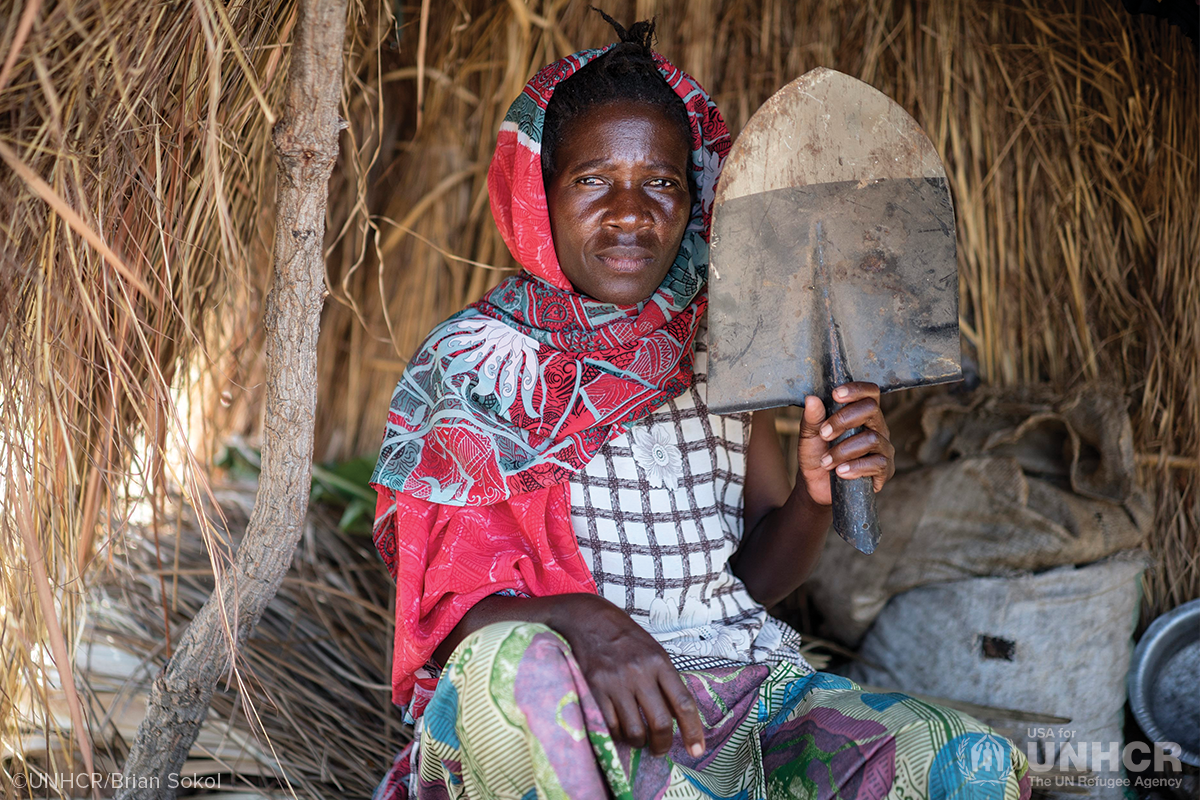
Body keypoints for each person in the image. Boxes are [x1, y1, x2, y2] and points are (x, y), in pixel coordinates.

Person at [370, 14, 1031, 800]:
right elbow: (447, 625)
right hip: (585, 714)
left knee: (957, 756)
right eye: (591, 180)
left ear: (694, 199)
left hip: (743, 704)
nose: (630, 212)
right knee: (505, 672)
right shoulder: (474, 365)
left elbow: (752, 580)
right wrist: (584, 620)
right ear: (536, 193)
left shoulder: (725, 348)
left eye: (661, 181)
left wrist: (812, 498)